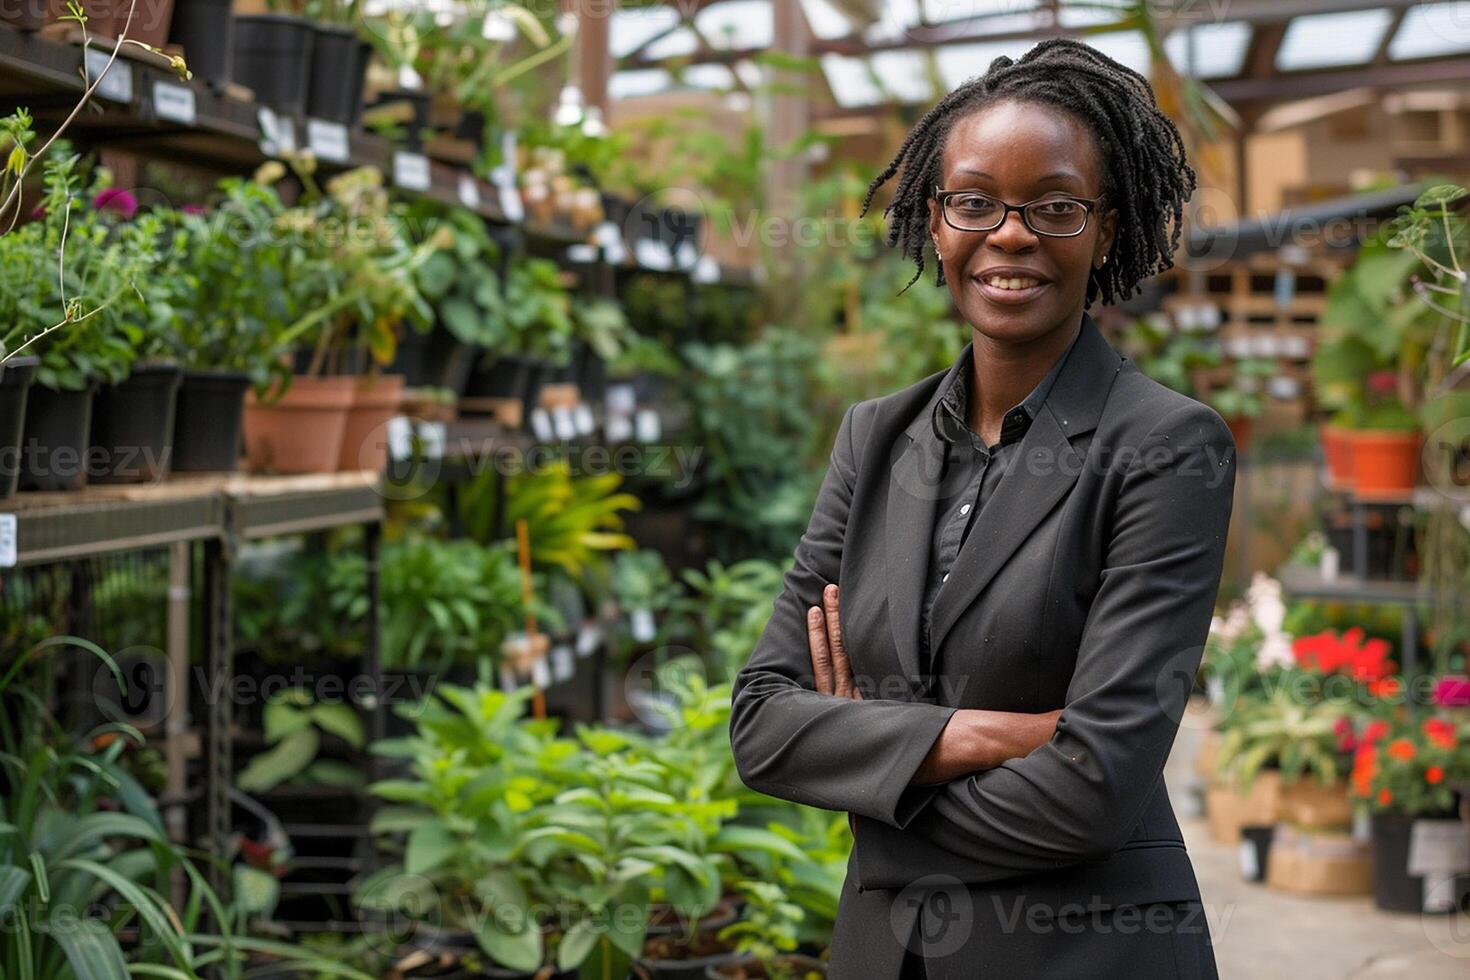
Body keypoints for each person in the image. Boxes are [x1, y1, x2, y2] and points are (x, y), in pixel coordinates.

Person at [728, 38, 1234, 979]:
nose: (1011, 234)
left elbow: (1095, 787)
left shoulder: (1165, 447)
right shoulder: (876, 440)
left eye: (1054, 206)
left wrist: (872, 785)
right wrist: (984, 735)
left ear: (1108, 229)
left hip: (1085, 955)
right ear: (936, 220)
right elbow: (762, 723)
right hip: (884, 956)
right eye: (975, 202)